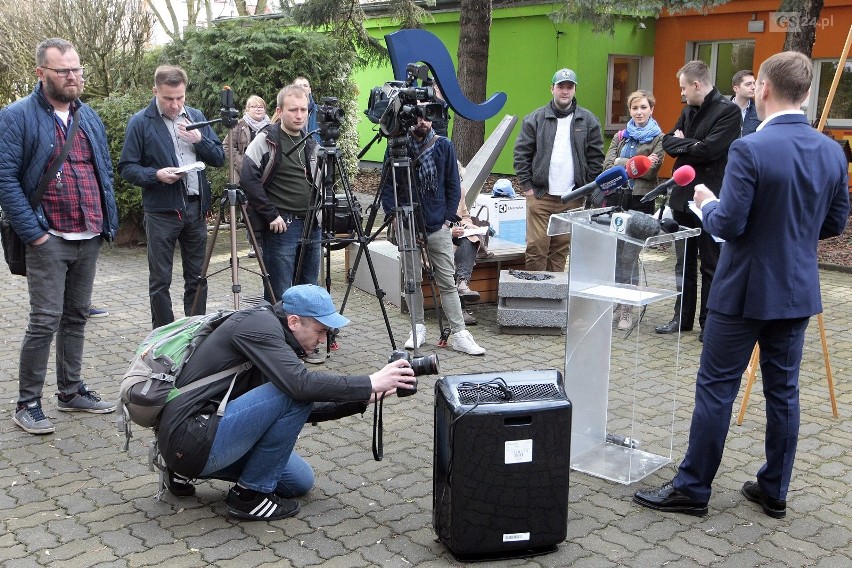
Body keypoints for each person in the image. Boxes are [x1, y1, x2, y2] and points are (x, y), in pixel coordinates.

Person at [633, 52, 849, 519]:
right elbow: (834, 223)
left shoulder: (749, 148)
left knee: (716, 389)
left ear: (764, 89)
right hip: (795, 290)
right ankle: (775, 489)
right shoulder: (832, 151)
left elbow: (729, 224)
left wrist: (707, 203)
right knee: (784, 391)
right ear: (807, 93)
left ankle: (692, 489)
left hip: (744, 289)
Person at [156, 284, 417, 520]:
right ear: (293, 321)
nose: (324, 340)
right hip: (192, 437)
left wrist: (363, 399)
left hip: (199, 433)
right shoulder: (259, 327)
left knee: (299, 482)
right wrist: (369, 381)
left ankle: (181, 470)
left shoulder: (273, 335)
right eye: (321, 330)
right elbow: (299, 389)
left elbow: (290, 406)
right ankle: (249, 497)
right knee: (295, 392)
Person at [0, 38, 119, 434]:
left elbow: (103, 170)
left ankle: (70, 392)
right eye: (63, 71)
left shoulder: (89, 116)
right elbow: (5, 180)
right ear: (41, 74)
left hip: (89, 234)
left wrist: (106, 225)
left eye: (77, 69)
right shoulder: (16, 116)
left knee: (76, 318)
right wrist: (34, 234)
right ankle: (27, 402)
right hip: (48, 236)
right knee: (44, 321)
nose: (73, 77)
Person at [119, 65, 225, 329]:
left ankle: (196, 332)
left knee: (197, 277)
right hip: (161, 213)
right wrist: (156, 175)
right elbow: (127, 167)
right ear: (155, 91)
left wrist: (200, 139)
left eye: (180, 97)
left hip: (195, 210)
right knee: (160, 280)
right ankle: (164, 336)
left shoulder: (196, 116)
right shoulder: (141, 122)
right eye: (168, 98)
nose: (175, 105)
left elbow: (219, 158)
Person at [381, 113, 486, 355]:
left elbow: (452, 184)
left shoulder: (443, 145)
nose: (423, 121)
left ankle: (460, 334)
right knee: (412, 280)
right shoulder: (398, 146)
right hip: (407, 222)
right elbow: (387, 184)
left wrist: (448, 219)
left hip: (437, 224)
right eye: (418, 116)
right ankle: (417, 328)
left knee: (447, 281)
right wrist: (393, 215)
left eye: (428, 116)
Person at [654, 61, 740, 341]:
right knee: (684, 263)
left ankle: (709, 324)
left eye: (683, 88)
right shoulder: (687, 110)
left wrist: (686, 143)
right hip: (682, 197)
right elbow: (667, 142)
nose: (682, 94)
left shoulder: (729, 112)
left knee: (711, 264)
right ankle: (682, 318)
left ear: (696, 85)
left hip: (709, 198)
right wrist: (692, 144)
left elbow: (712, 149)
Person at [514, 68, 604, 272]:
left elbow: (595, 158)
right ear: (552, 89)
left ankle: (554, 298)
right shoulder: (535, 119)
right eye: (560, 86)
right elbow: (521, 154)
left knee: (559, 250)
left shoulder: (588, 121)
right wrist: (528, 187)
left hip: (571, 197)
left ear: (574, 90)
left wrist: (585, 190)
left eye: (569, 87)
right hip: (540, 195)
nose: (565, 91)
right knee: (537, 247)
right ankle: (535, 297)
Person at [242, 84, 321, 305]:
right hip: (282, 225)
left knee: (309, 288)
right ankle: (279, 337)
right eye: (293, 110)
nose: (299, 115)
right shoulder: (266, 139)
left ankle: (306, 338)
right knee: (281, 291)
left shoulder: (311, 142)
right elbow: (248, 179)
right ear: (279, 111)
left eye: (303, 110)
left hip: (311, 224)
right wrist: (270, 214)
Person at [602, 90, 664, 330]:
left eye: (644, 108)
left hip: (641, 200)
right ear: (630, 111)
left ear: (651, 110)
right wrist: (637, 162)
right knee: (617, 254)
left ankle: (627, 307)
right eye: (635, 108)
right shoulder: (620, 136)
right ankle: (618, 299)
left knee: (631, 256)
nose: (639, 112)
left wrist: (624, 163)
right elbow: (607, 166)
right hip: (619, 199)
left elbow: (650, 172)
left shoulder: (659, 138)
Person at [223, 95, 271, 258]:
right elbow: (227, 146)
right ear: (247, 109)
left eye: (261, 106)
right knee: (249, 210)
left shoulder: (271, 127)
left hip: (266, 175)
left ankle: (266, 242)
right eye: (254, 106)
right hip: (245, 175)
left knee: (265, 206)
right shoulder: (238, 125)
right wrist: (243, 164)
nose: (258, 109)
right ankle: (254, 244)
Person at [731, 70, 760, 137]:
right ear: (736, 89)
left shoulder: (759, 111)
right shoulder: (723, 110)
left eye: (754, 83)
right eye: (748, 84)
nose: (753, 87)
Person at [293, 77, 321, 144]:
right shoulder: (287, 110)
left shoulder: (320, 111)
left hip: (316, 151)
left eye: (305, 86)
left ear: (310, 90)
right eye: (299, 86)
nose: (302, 88)